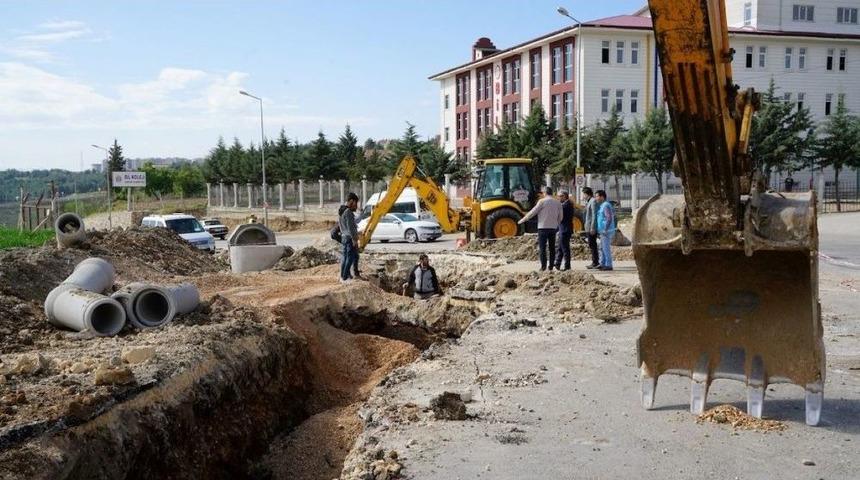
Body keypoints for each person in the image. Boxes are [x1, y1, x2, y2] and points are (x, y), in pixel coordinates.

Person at [517, 186, 563, 271]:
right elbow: (561, 216)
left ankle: (543, 266)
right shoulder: (557, 202)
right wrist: (557, 223)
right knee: (552, 248)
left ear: (545, 193)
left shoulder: (542, 201)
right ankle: (551, 266)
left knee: (542, 248)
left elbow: (533, 212)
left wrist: (522, 220)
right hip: (553, 228)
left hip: (543, 227)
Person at [339, 192, 361, 282]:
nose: (356, 205)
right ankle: (345, 278)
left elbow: (342, 226)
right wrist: (354, 239)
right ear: (351, 201)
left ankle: (343, 276)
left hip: (344, 236)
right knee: (350, 258)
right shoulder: (348, 212)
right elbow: (351, 227)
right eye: (356, 202)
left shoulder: (341, 210)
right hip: (349, 238)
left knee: (345, 257)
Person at [553, 190, 574, 271]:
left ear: (564, 196)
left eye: (560, 196)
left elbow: (559, 216)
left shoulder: (566, 205)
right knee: (560, 247)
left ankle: (567, 266)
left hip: (565, 229)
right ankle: (557, 263)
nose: (558, 198)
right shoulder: (566, 204)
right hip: (564, 228)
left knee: (565, 248)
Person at [595, 190, 616, 271]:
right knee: (602, 248)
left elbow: (609, 218)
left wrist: (605, 229)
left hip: (606, 231)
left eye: (597, 196)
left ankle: (608, 265)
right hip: (602, 230)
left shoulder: (606, 205)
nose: (596, 198)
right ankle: (603, 263)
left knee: (605, 248)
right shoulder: (603, 205)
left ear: (602, 197)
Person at [582, 187, 600, 269]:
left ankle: (595, 262)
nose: (583, 196)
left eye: (584, 194)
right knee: (591, 244)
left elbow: (594, 215)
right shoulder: (588, 201)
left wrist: (593, 227)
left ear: (587, 194)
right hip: (588, 226)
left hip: (591, 227)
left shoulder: (593, 201)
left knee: (592, 244)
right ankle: (595, 261)